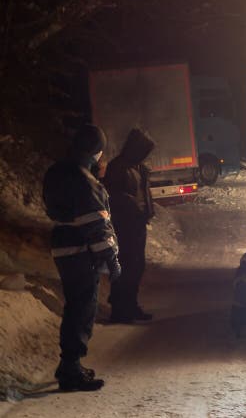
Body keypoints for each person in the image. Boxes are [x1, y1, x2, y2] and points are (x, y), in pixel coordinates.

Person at [43, 123, 122, 392]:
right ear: (94, 151)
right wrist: (111, 260)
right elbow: (96, 225)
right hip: (81, 251)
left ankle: (71, 365)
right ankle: (70, 369)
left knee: (75, 305)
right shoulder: (83, 180)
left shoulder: (56, 172)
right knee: (83, 307)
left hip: (63, 248)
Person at [103, 128, 155, 323]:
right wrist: (130, 204)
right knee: (125, 266)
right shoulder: (118, 167)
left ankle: (131, 306)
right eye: (143, 151)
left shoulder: (138, 167)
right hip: (123, 226)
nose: (145, 156)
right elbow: (112, 195)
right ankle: (119, 309)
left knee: (137, 267)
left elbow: (143, 194)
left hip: (137, 224)